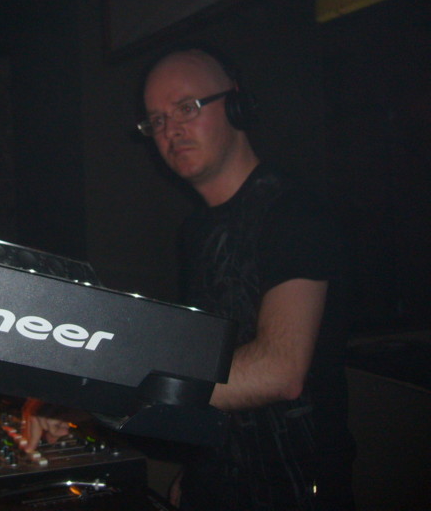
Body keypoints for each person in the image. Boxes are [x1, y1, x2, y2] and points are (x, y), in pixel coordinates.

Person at [26, 47, 356, 510]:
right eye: (157, 120)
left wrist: (111, 392)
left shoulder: (293, 213)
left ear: (237, 105)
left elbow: (279, 370)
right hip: (219, 484)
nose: (170, 129)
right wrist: (197, 469)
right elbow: (210, 366)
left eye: (187, 107)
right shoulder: (197, 231)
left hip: (295, 491)